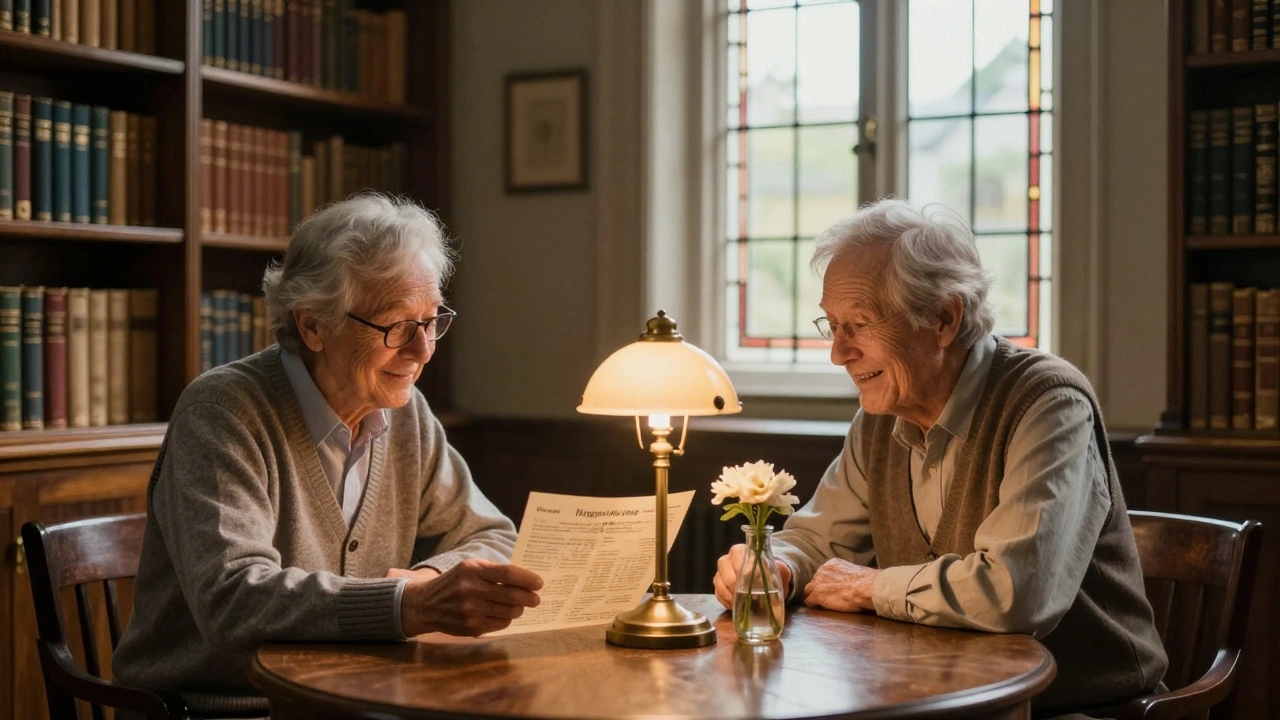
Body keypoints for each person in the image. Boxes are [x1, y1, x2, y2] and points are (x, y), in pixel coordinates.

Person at [712, 199, 1167, 718]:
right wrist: (774, 567)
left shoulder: (1049, 403)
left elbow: (1015, 594)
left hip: (1080, 704)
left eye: (858, 324)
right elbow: (818, 538)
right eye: (831, 325)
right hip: (938, 693)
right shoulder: (881, 415)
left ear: (944, 319)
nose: (838, 353)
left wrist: (871, 585)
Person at [113, 193, 542, 717]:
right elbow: (232, 598)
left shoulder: (406, 413)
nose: (423, 350)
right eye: (396, 326)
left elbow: (492, 534)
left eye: (431, 320)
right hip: (220, 707)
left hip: (355, 696)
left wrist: (428, 582)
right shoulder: (223, 411)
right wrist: (407, 606)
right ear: (314, 324)